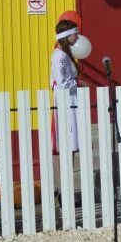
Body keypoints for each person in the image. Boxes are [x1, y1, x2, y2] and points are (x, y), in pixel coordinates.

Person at [50, 20, 82, 154]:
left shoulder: (63, 55)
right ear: (67, 36)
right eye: (75, 33)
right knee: (69, 132)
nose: (78, 37)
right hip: (67, 99)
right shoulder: (60, 57)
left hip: (71, 98)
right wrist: (78, 84)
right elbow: (63, 83)